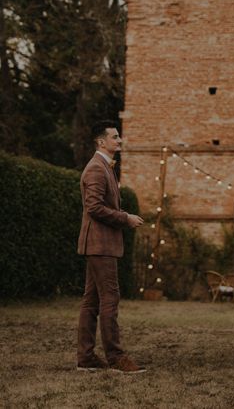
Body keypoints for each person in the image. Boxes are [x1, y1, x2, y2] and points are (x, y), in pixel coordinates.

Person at [76, 120, 145, 373]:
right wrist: (125, 218)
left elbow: (100, 206)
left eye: (119, 136)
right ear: (101, 142)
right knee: (109, 299)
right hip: (100, 245)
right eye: (115, 137)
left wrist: (122, 214)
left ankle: (86, 358)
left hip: (99, 245)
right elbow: (93, 207)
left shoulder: (105, 167)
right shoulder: (96, 168)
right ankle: (116, 358)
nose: (120, 140)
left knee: (91, 301)